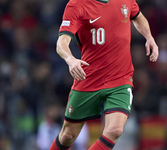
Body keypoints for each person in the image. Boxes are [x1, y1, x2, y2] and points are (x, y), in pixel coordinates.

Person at [50, 0, 159, 149]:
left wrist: (149, 37)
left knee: (115, 130)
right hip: (88, 78)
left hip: (120, 79)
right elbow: (61, 42)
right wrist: (70, 60)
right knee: (68, 136)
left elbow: (138, 16)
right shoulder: (76, 5)